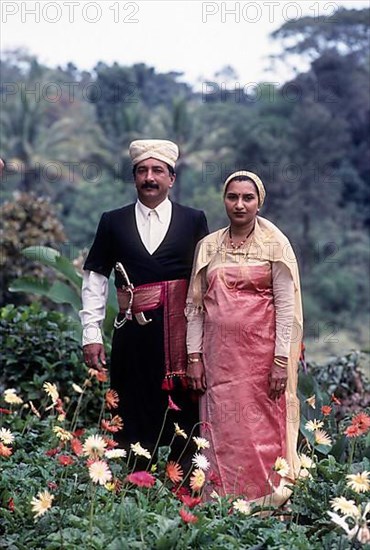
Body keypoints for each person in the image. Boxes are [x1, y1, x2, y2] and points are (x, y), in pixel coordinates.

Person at [80, 139, 208, 455]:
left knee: (183, 419)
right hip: (131, 337)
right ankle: (131, 486)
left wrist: (204, 345)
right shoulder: (113, 221)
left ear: (171, 178)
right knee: (130, 414)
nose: (149, 177)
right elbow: (96, 277)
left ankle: (184, 492)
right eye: (142, 171)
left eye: (158, 171)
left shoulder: (194, 220)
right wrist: (91, 333)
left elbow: (205, 283)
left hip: (180, 344)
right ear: (134, 177)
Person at [185, 170, 303, 507]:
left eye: (247, 198)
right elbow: (195, 306)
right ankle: (221, 505)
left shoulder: (275, 245)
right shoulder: (208, 246)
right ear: (224, 200)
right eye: (232, 197)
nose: (239, 204)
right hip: (218, 361)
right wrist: (194, 357)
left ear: (259, 202)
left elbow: (285, 306)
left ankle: (267, 505)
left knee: (260, 434)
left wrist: (281, 361)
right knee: (222, 432)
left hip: (262, 363)